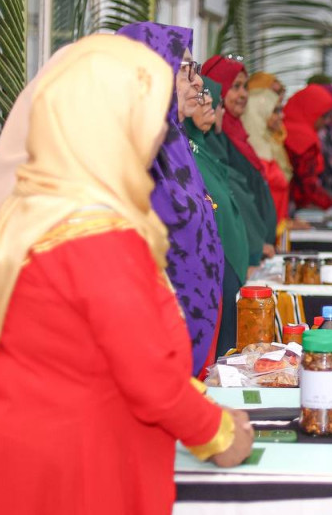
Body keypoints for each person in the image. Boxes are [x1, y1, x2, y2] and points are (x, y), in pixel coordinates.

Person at [0, 34, 253, 515]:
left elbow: (86, 350)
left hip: (12, 459)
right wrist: (220, 433)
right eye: (145, 113)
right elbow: (148, 376)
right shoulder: (94, 234)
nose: (158, 130)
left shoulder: (37, 206)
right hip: (61, 475)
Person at [118, 22, 224, 375]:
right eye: (185, 69)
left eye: (196, 69)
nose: (198, 82)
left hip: (192, 329)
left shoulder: (174, 140)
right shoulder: (133, 148)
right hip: (154, 343)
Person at [185, 80, 255, 358]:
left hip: (225, 268)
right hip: (209, 272)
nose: (209, 103)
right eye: (200, 95)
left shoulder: (201, 148)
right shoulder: (183, 152)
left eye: (210, 97)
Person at [202, 55, 286, 240]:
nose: (244, 94)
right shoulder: (213, 139)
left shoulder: (239, 134)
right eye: (235, 86)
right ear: (217, 88)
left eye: (245, 87)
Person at [240, 77, 289, 226]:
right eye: (275, 111)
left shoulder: (270, 145)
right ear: (259, 112)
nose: (282, 116)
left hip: (277, 228)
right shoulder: (250, 155)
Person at [283, 84, 332, 209]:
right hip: (293, 206)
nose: (326, 122)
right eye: (323, 116)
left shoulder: (287, 128)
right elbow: (308, 185)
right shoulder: (302, 138)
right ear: (311, 111)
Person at [249, 71, 293, 184]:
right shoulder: (251, 138)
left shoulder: (277, 132)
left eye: (280, 91)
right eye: (273, 92)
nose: (277, 97)